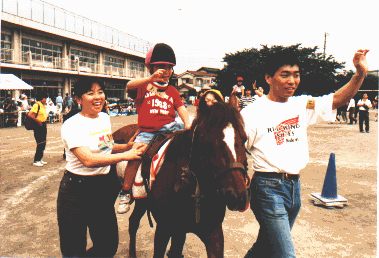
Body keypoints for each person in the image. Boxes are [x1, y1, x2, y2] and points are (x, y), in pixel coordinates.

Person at [241, 49, 369, 258]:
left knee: (265, 247)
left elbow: (337, 99)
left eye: (296, 74)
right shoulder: (252, 113)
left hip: (294, 189)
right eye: (285, 75)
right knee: (286, 254)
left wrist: (359, 74)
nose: (292, 80)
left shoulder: (302, 104)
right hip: (267, 189)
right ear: (268, 78)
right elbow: (233, 147)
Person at [57, 78, 147, 257]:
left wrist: (128, 147)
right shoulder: (72, 125)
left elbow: (106, 146)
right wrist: (126, 156)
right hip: (75, 190)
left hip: (101, 189)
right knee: (73, 250)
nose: (98, 97)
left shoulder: (104, 118)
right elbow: (88, 160)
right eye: (90, 93)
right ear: (79, 99)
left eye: (100, 92)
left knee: (108, 246)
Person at [117, 43, 191, 214]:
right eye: (160, 67)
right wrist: (150, 79)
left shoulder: (173, 91)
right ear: (150, 68)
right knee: (135, 154)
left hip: (171, 127)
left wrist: (187, 124)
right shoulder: (143, 86)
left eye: (168, 68)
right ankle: (126, 191)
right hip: (148, 131)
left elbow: (181, 109)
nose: (164, 71)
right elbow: (129, 85)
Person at [27, 92, 48, 167]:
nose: (46, 99)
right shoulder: (37, 105)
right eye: (45, 98)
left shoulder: (42, 105)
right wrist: (37, 120)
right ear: (41, 99)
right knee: (40, 142)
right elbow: (30, 115)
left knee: (43, 142)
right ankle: (36, 160)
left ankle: (40, 158)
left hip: (43, 124)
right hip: (38, 125)